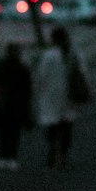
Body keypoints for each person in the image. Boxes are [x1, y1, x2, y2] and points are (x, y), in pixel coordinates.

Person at [33, 26, 84, 168]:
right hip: (68, 95)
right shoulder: (74, 54)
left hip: (50, 95)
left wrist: (37, 90)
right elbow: (83, 73)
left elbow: (41, 76)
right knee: (67, 125)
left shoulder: (49, 55)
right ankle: (63, 155)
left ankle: (52, 149)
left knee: (51, 125)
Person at [0, 42, 33, 169]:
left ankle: (4, 156)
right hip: (17, 105)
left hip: (4, 104)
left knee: (4, 132)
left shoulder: (1, 68)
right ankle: (12, 157)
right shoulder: (22, 69)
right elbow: (27, 89)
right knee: (14, 133)